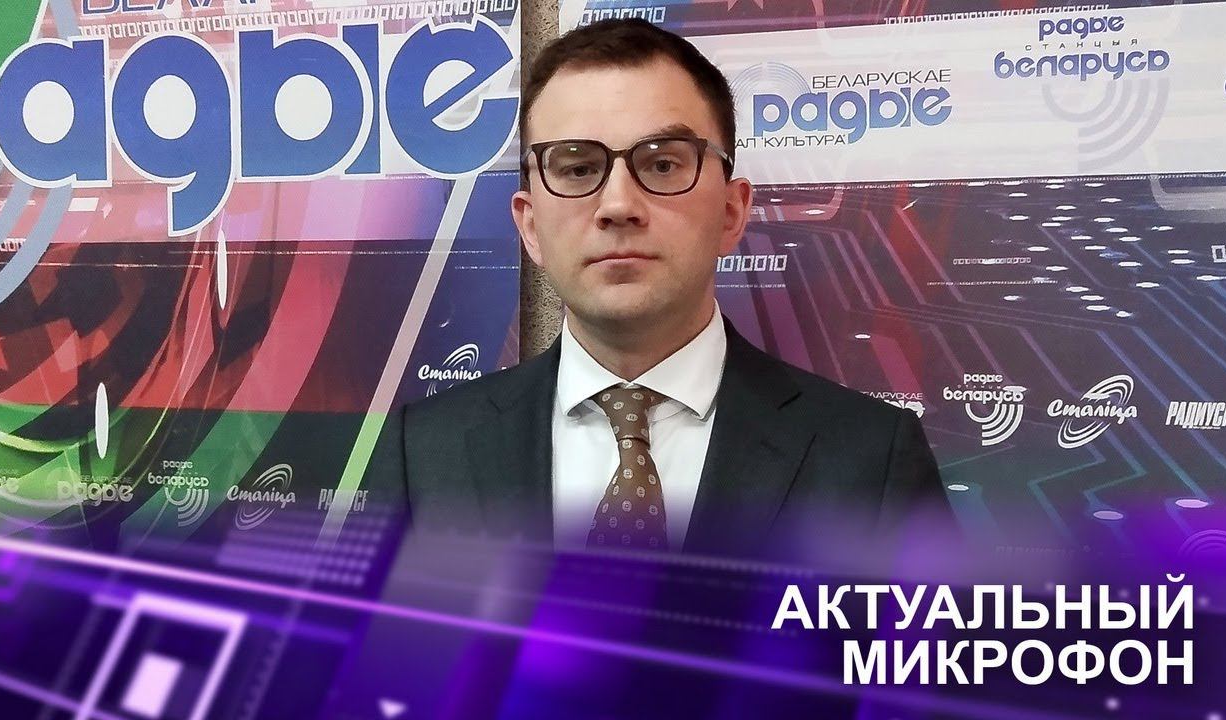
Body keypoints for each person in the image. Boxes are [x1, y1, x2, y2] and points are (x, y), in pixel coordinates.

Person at [383, 18, 955, 567]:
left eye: (661, 164)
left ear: (731, 212)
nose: (618, 206)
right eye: (578, 169)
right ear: (530, 226)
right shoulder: (426, 452)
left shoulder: (871, 463)